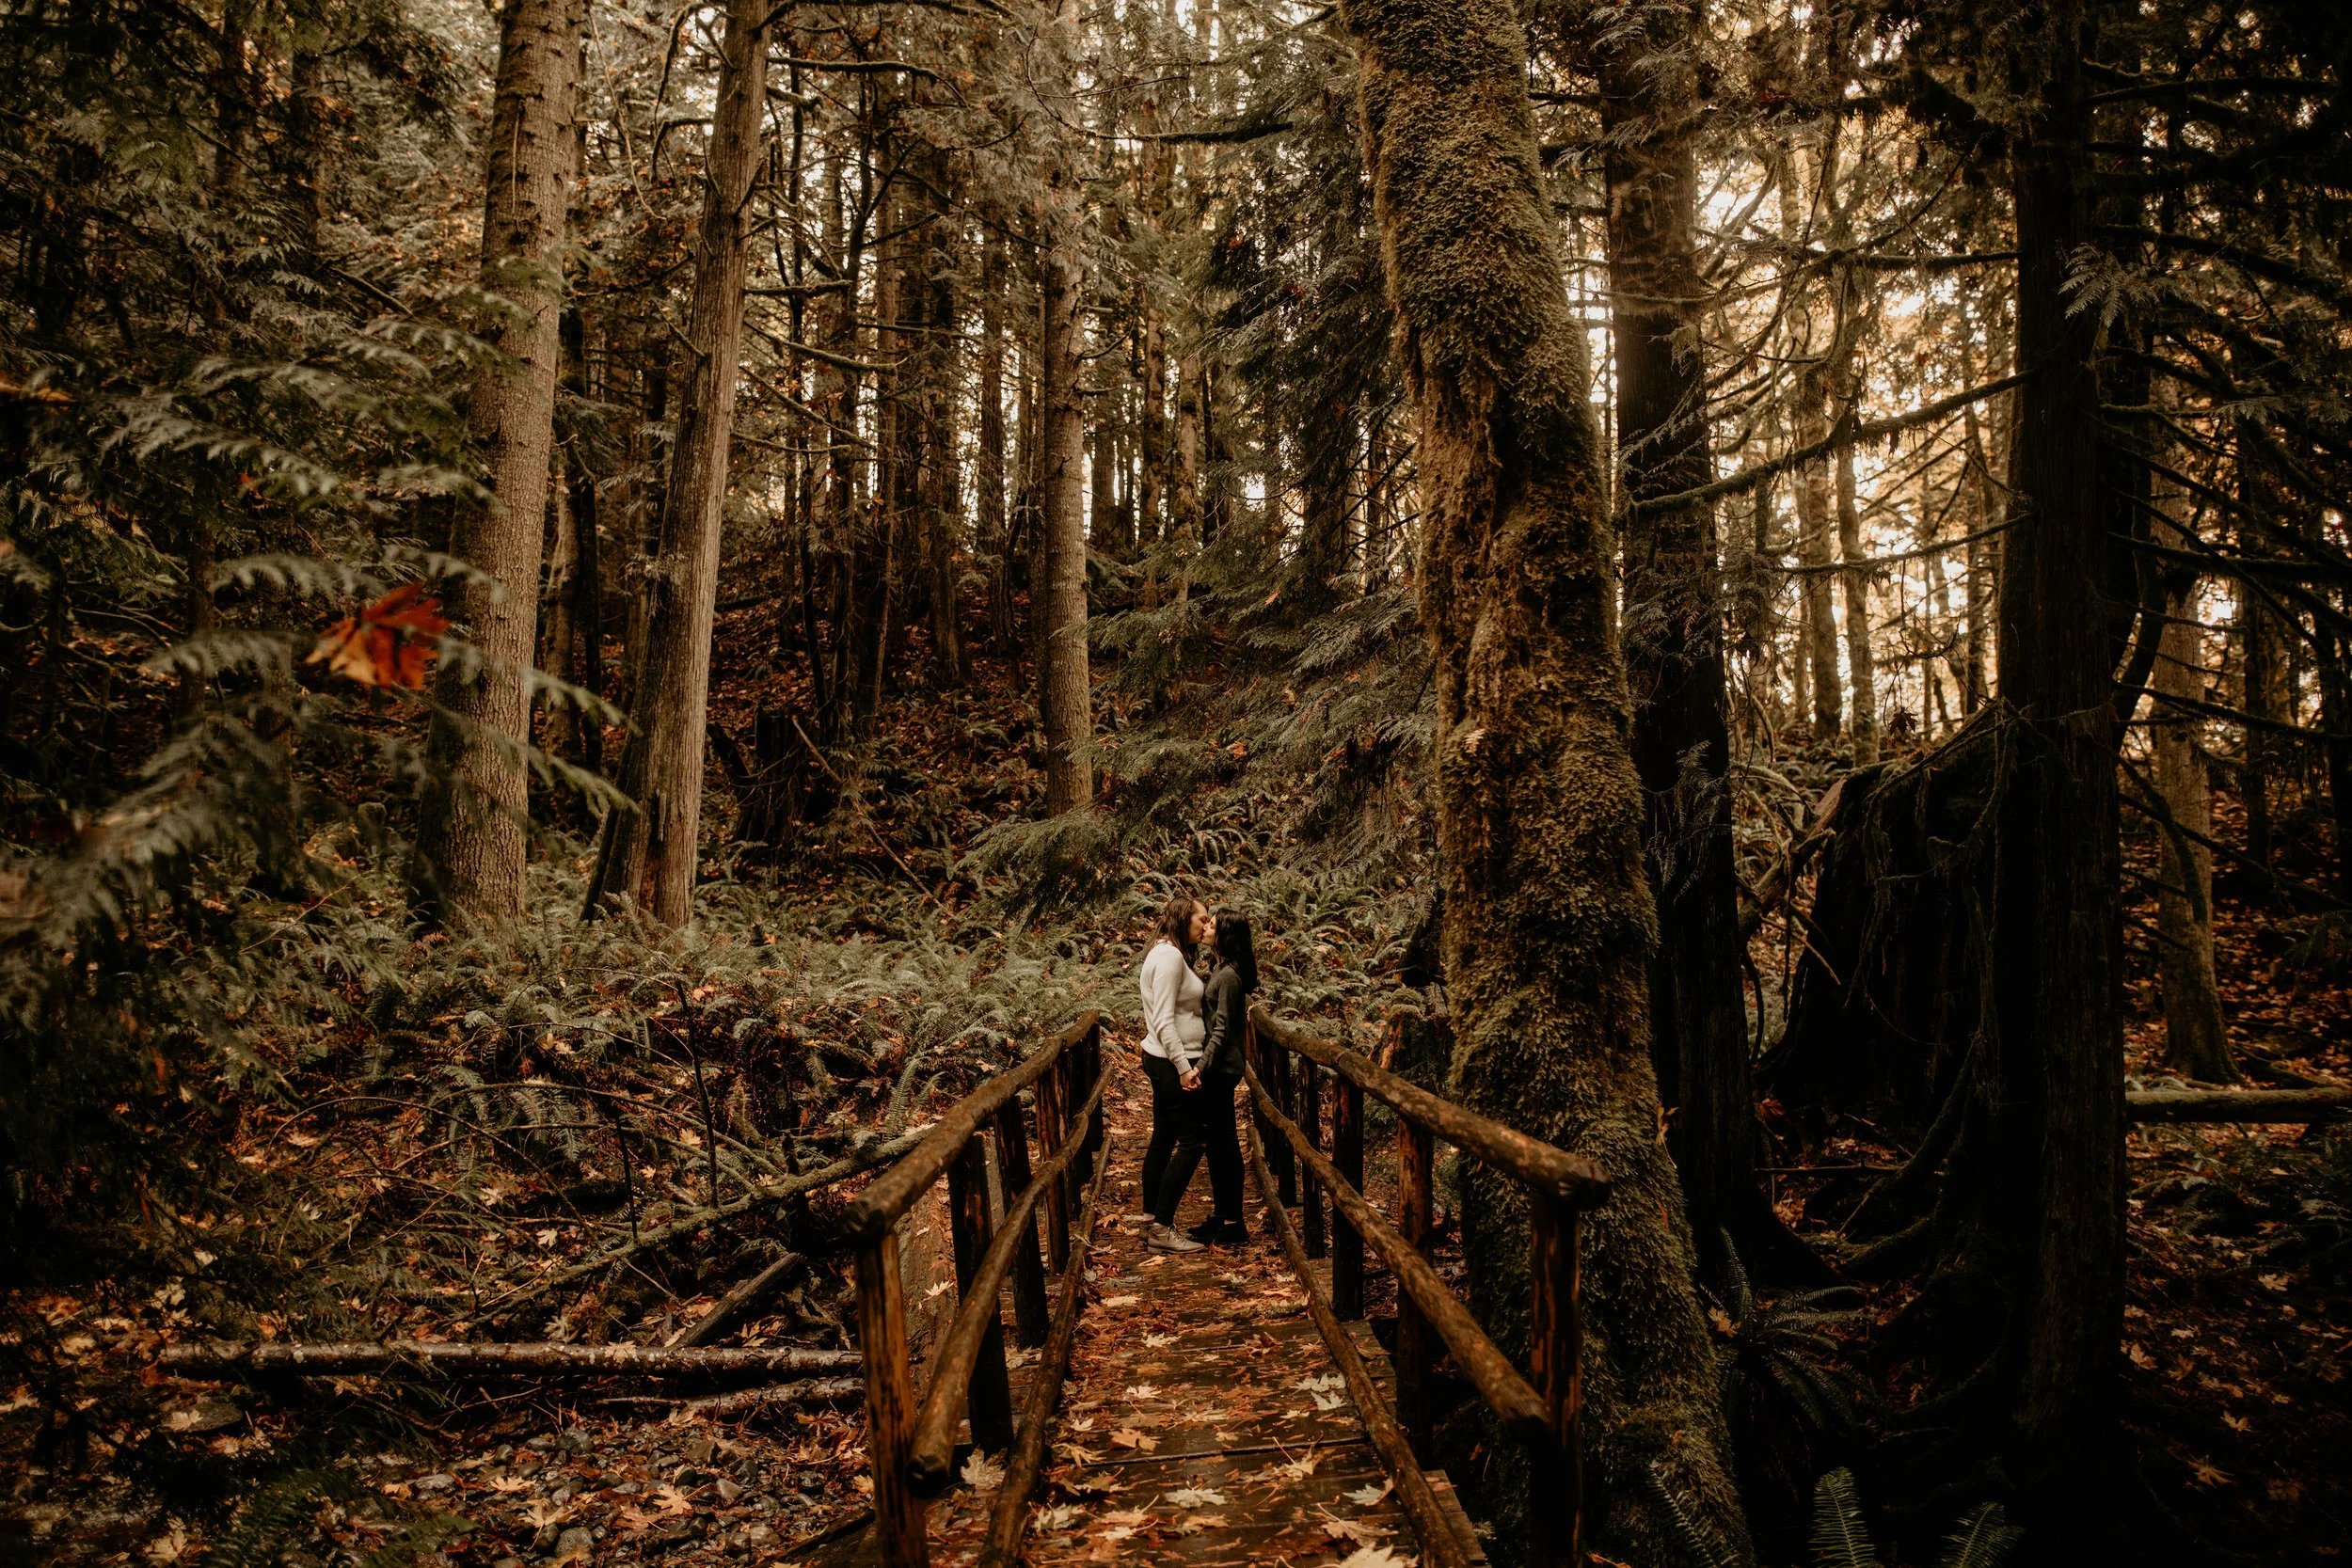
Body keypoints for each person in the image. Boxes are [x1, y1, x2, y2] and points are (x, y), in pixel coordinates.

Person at [1151, 909, 1256, 1248]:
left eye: (1213, 924)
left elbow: (1221, 1029)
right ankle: (1223, 1216)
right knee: (1217, 1141)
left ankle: (1233, 1222)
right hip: (1217, 1067)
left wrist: (1200, 1066)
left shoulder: (1229, 976)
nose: (1207, 926)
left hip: (1222, 1069)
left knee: (1224, 1142)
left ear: (1225, 935)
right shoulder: (1221, 970)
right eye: (1205, 921)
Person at [1136, 893, 1211, 1252]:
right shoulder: (1168, 958)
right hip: (1172, 1061)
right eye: (1202, 919)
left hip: (1164, 1058)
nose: (1206, 926)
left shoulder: (1166, 951)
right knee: (1193, 1142)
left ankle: (1151, 1221)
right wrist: (1184, 1067)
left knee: (1164, 1138)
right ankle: (1162, 1229)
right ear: (1184, 918)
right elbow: (1164, 1020)